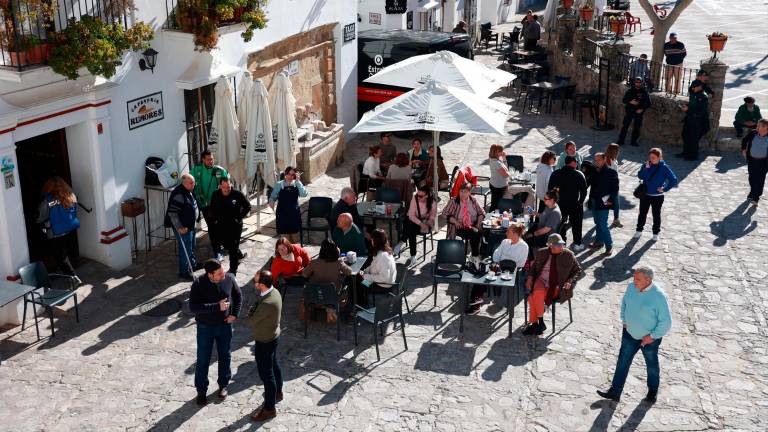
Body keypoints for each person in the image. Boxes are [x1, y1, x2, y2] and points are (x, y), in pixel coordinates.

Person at [597, 266, 671, 404]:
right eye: (634, 278)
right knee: (622, 362)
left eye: (638, 279)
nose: (634, 281)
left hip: (649, 339)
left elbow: (666, 322)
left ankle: (652, 391)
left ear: (648, 280)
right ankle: (615, 391)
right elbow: (624, 303)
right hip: (629, 334)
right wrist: (624, 320)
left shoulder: (659, 297)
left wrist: (652, 336)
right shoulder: (631, 287)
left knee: (651, 365)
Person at [189, 259, 242, 406]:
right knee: (203, 359)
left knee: (225, 355)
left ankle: (223, 385)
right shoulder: (199, 284)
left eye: (222, 270)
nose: (223, 274)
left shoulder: (229, 278)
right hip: (205, 327)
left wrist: (235, 314)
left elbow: (238, 296)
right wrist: (216, 307)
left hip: (224, 326)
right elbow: (193, 307)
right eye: (219, 273)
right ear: (210, 274)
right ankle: (201, 391)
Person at [523, 234, 581, 336]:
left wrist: (570, 281)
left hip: (557, 285)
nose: (562, 246)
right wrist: (530, 277)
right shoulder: (542, 252)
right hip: (541, 280)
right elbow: (533, 269)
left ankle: (536, 324)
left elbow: (578, 270)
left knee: (533, 297)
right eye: (558, 245)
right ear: (551, 246)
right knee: (537, 292)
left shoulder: (568, 255)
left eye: (562, 244)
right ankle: (539, 322)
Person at [245, 270, 283, 422]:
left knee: (266, 375)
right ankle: (278, 392)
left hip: (264, 341)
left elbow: (250, 321)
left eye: (256, 282)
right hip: (273, 336)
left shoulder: (267, 303)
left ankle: (269, 408)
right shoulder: (274, 292)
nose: (254, 283)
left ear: (261, 285)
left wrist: (250, 314)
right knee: (274, 365)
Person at [37, 176, 80, 278]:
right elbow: (75, 208)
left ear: (48, 187)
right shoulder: (71, 195)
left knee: (60, 256)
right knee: (67, 251)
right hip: (70, 228)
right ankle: (69, 269)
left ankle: (73, 277)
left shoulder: (47, 200)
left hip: (56, 232)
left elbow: (40, 217)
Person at [302, 239, 353, 323]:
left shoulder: (314, 263)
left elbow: (304, 274)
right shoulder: (338, 262)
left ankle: (324, 307)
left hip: (316, 294)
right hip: (333, 296)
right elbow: (349, 272)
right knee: (346, 287)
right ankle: (332, 309)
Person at [633, 148, 678, 241]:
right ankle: (639, 230)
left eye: (654, 157)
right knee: (642, 213)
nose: (651, 159)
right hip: (645, 195)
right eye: (650, 157)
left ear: (659, 157)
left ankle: (655, 233)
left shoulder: (664, 168)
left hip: (657, 197)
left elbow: (673, 180)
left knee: (656, 215)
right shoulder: (647, 165)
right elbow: (640, 176)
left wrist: (664, 188)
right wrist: (646, 168)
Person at [209, 177, 251, 275]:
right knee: (227, 245)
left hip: (235, 226)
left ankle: (233, 271)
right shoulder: (215, 194)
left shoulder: (237, 194)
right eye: (224, 187)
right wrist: (214, 220)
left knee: (232, 249)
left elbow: (247, 206)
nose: (226, 189)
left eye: (228, 186)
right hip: (221, 225)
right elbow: (212, 208)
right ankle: (239, 254)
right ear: (220, 186)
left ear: (231, 185)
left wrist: (239, 217)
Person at [192, 150, 229, 258]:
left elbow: (227, 185)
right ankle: (217, 250)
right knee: (212, 227)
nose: (210, 161)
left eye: (212, 159)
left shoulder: (219, 171)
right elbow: (190, 182)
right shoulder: (197, 170)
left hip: (219, 205)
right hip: (205, 205)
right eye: (208, 159)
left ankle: (224, 244)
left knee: (221, 225)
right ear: (203, 159)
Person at [164, 173, 200, 280]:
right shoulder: (179, 194)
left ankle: (193, 264)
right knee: (185, 249)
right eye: (191, 182)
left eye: (193, 182)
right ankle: (184, 272)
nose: (194, 184)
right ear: (184, 183)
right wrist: (179, 227)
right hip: (183, 227)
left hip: (190, 225)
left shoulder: (188, 190)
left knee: (191, 246)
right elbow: (172, 213)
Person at [548, 156, 588, 251]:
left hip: (559, 204)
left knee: (560, 224)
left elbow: (550, 189)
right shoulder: (579, 174)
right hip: (575, 204)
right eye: (576, 162)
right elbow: (584, 191)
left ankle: (562, 243)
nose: (577, 164)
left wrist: (554, 202)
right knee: (576, 225)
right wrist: (580, 202)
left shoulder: (555, 173)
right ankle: (577, 244)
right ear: (573, 162)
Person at [442, 182, 486, 264]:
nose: (462, 194)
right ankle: (475, 256)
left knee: (486, 232)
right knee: (475, 233)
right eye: (461, 191)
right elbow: (444, 214)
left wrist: (478, 224)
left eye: (465, 192)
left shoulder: (473, 200)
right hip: (459, 226)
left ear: (469, 192)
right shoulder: (454, 201)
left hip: (473, 224)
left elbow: (481, 213)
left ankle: (482, 255)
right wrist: (455, 221)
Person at [589, 153, 619, 255]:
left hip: (604, 202)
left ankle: (609, 245)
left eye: (599, 160)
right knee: (597, 222)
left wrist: (610, 200)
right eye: (595, 160)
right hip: (594, 200)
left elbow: (615, 189)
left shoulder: (611, 172)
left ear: (604, 159)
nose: (597, 162)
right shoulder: (594, 170)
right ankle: (598, 241)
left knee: (603, 224)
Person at [269, 166, 308, 243]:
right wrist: (271, 201)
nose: (290, 176)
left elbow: (304, 194)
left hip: (294, 215)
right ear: (285, 174)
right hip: (282, 215)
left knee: (295, 240)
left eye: (293, 175)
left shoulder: (297, 184)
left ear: (295, 175)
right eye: (289, 174)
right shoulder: (279, 185)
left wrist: (298, 181)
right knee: (285, 242)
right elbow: (273, 196)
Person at [403, 186, 437, 266]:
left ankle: (403, 242)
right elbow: (411, 215)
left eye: (421, 196)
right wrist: (421, 224)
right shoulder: (415, 198)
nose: (418, 197)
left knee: (410, 228)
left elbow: (432, 217)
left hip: (425, 222)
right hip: (414, 221)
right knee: (410, 224)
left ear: (427, 196)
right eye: (417, 195)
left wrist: (427, 223)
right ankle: (413, 255)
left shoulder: (433, 202)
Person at [677, 81, 709, 161]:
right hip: (690, 118)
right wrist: (686, 106)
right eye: (692, 87)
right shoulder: (694, 93)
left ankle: (693, 156)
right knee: (685, 135)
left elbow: (699, 111)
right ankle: (685, 152)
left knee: (693, 139)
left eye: (694, 87)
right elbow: (692, 104)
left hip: (698, 121)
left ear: (699, 87)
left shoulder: (703, 97)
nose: (692, 88)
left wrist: (688, 110)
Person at [617, 78, 651, 147]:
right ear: (634, 82)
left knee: (637, 127)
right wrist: (630, 101)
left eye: (639, 82)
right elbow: (624, 100)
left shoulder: (644, 92)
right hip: (630, 110)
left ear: (641, 83)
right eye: (636, 82)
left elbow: (649, 103)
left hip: (639, 111)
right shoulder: (630, 90)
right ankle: (621, 140)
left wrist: (642, 109)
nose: (638, 83)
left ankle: (634, 141)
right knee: (625, 125)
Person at [741, 119, 768, 206]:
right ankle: (752, 192)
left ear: (765, 127)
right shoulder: (753, 133)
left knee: (760, 179)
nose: (757, 127)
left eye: (759, 126)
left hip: (764, 162)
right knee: (752, 177)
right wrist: (744, 149)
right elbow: (744, 140)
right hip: (752, 160)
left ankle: (756, 197)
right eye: (757, 125)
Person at [489, 144, 511, 212]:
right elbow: (505, 175)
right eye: (501, 151)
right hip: (497, 187)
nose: (502, 152)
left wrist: (504, 158)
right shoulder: (496, 163)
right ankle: (490, 217)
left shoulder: (496, 160)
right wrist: (510, 173)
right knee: (495, 205)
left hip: (497, 185)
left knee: (495, 204)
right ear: (496, 152)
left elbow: (505, 168)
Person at [605, 143, 622, 228]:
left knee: (614, 204)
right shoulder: (611, 163)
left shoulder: (612, 160)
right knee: (614, 203)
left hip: (610, 186)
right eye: (618, 150)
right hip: (611, 187)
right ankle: (613, 220)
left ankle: (615, 219)